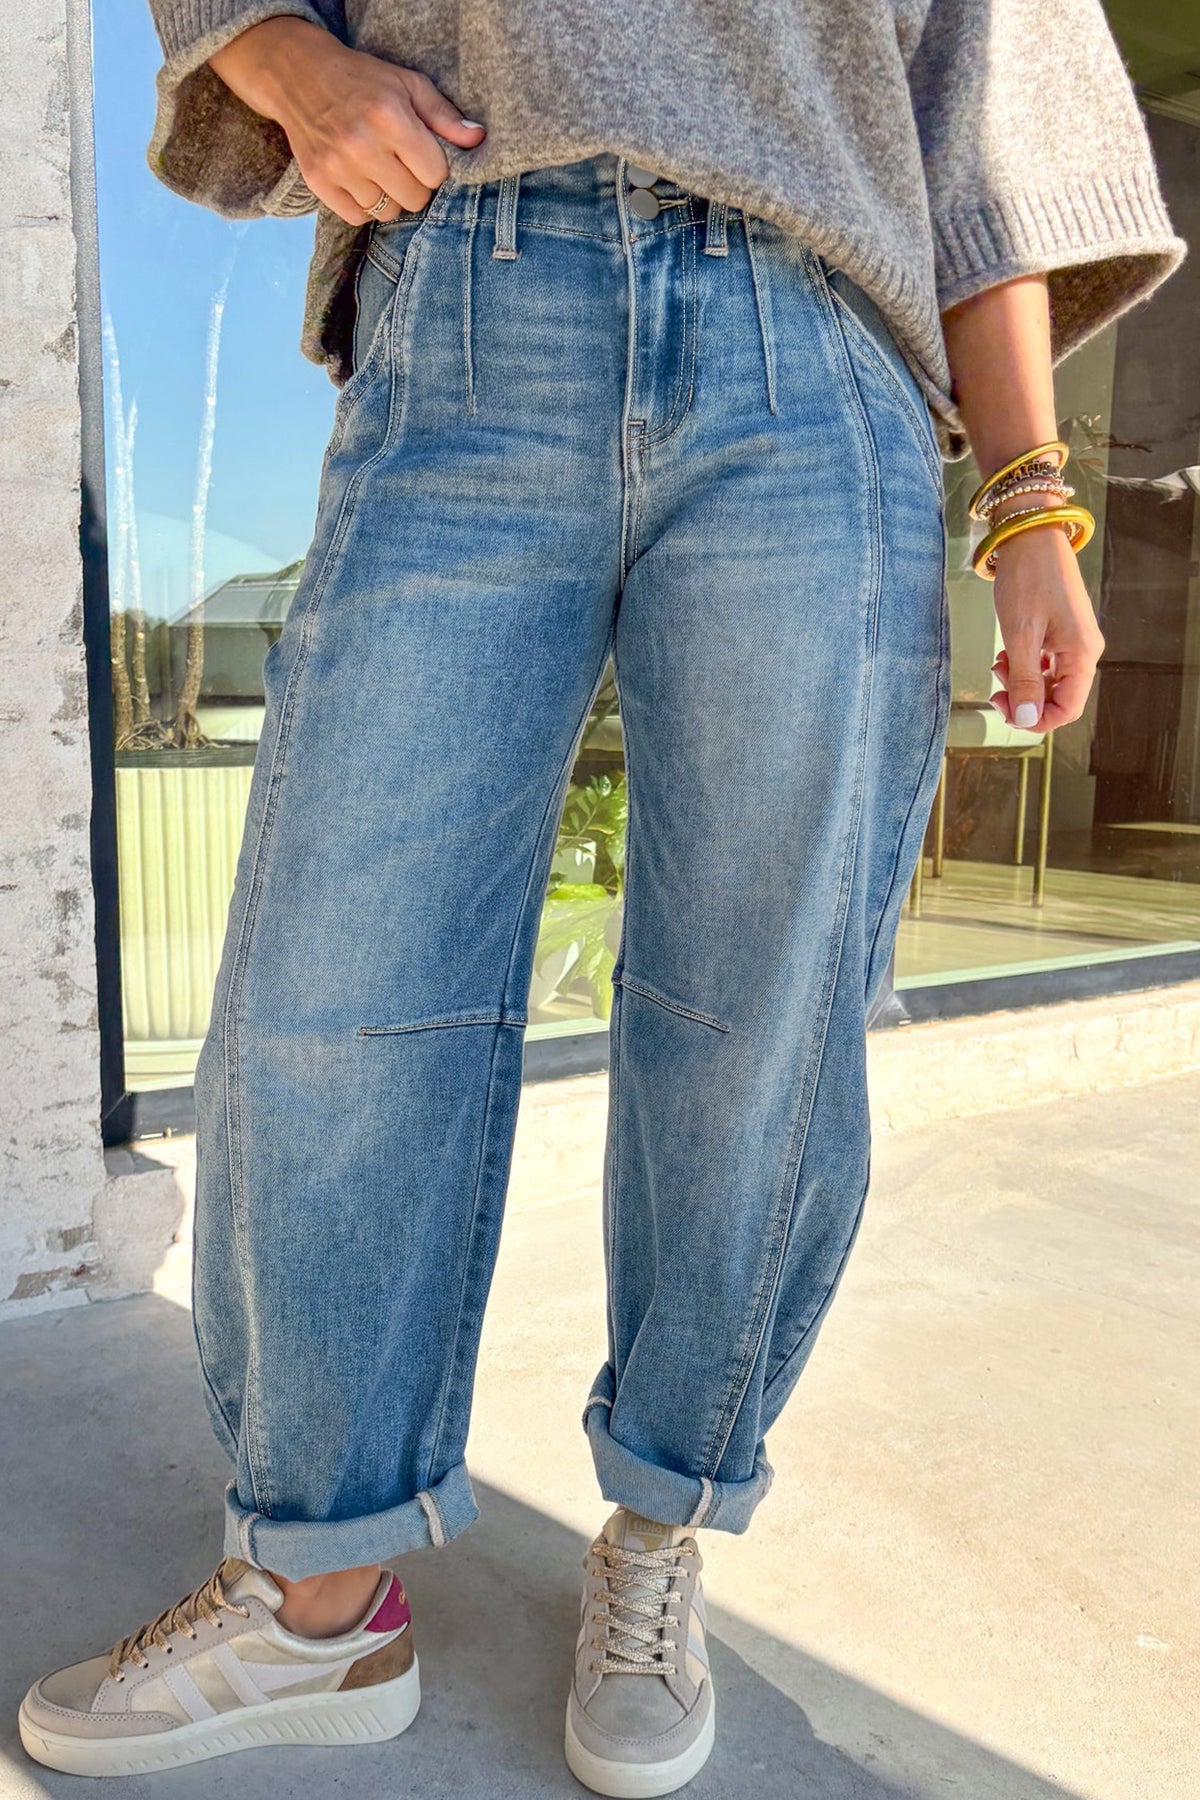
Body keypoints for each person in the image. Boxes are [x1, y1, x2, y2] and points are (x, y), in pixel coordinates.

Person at [20, 1, 1183, 1792]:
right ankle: (319, 1600)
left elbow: (991, 106)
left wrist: (1031, 499)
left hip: (819, 353)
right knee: (334, 984)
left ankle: (659, 1531)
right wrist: (283, 63)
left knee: (758, 1006)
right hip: (472, 301)